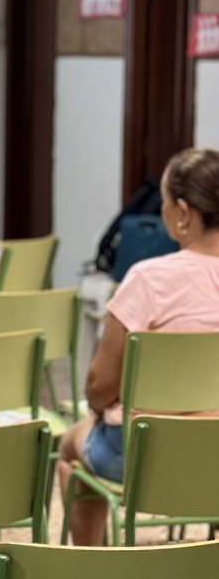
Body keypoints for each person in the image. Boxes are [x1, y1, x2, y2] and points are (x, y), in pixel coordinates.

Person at [58, 147, 219, 546]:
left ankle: (93, 568)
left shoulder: (148, 279)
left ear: (182, 212)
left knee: (69, 447)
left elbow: (100, 387)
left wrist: (100, 411)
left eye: (163, 202)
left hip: (144, 459)